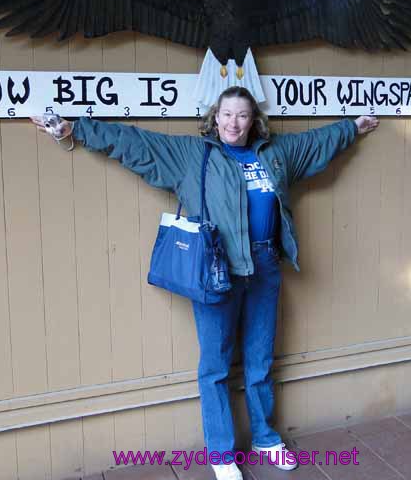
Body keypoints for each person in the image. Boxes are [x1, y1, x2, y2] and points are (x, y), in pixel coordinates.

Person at [32, 87, 378, 480]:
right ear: (215, 118)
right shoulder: (193, 156)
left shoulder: (274, 154)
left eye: (243, 115)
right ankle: (222, 454)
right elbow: (133, 142)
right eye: (227, 114)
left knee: (260, 359)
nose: (234, 123)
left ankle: (266, 437)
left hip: (264, 266)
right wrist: (75, 129)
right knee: (215, 364)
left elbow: (317, 141)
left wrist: (353, 127)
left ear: (254, 121)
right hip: (217, 268)